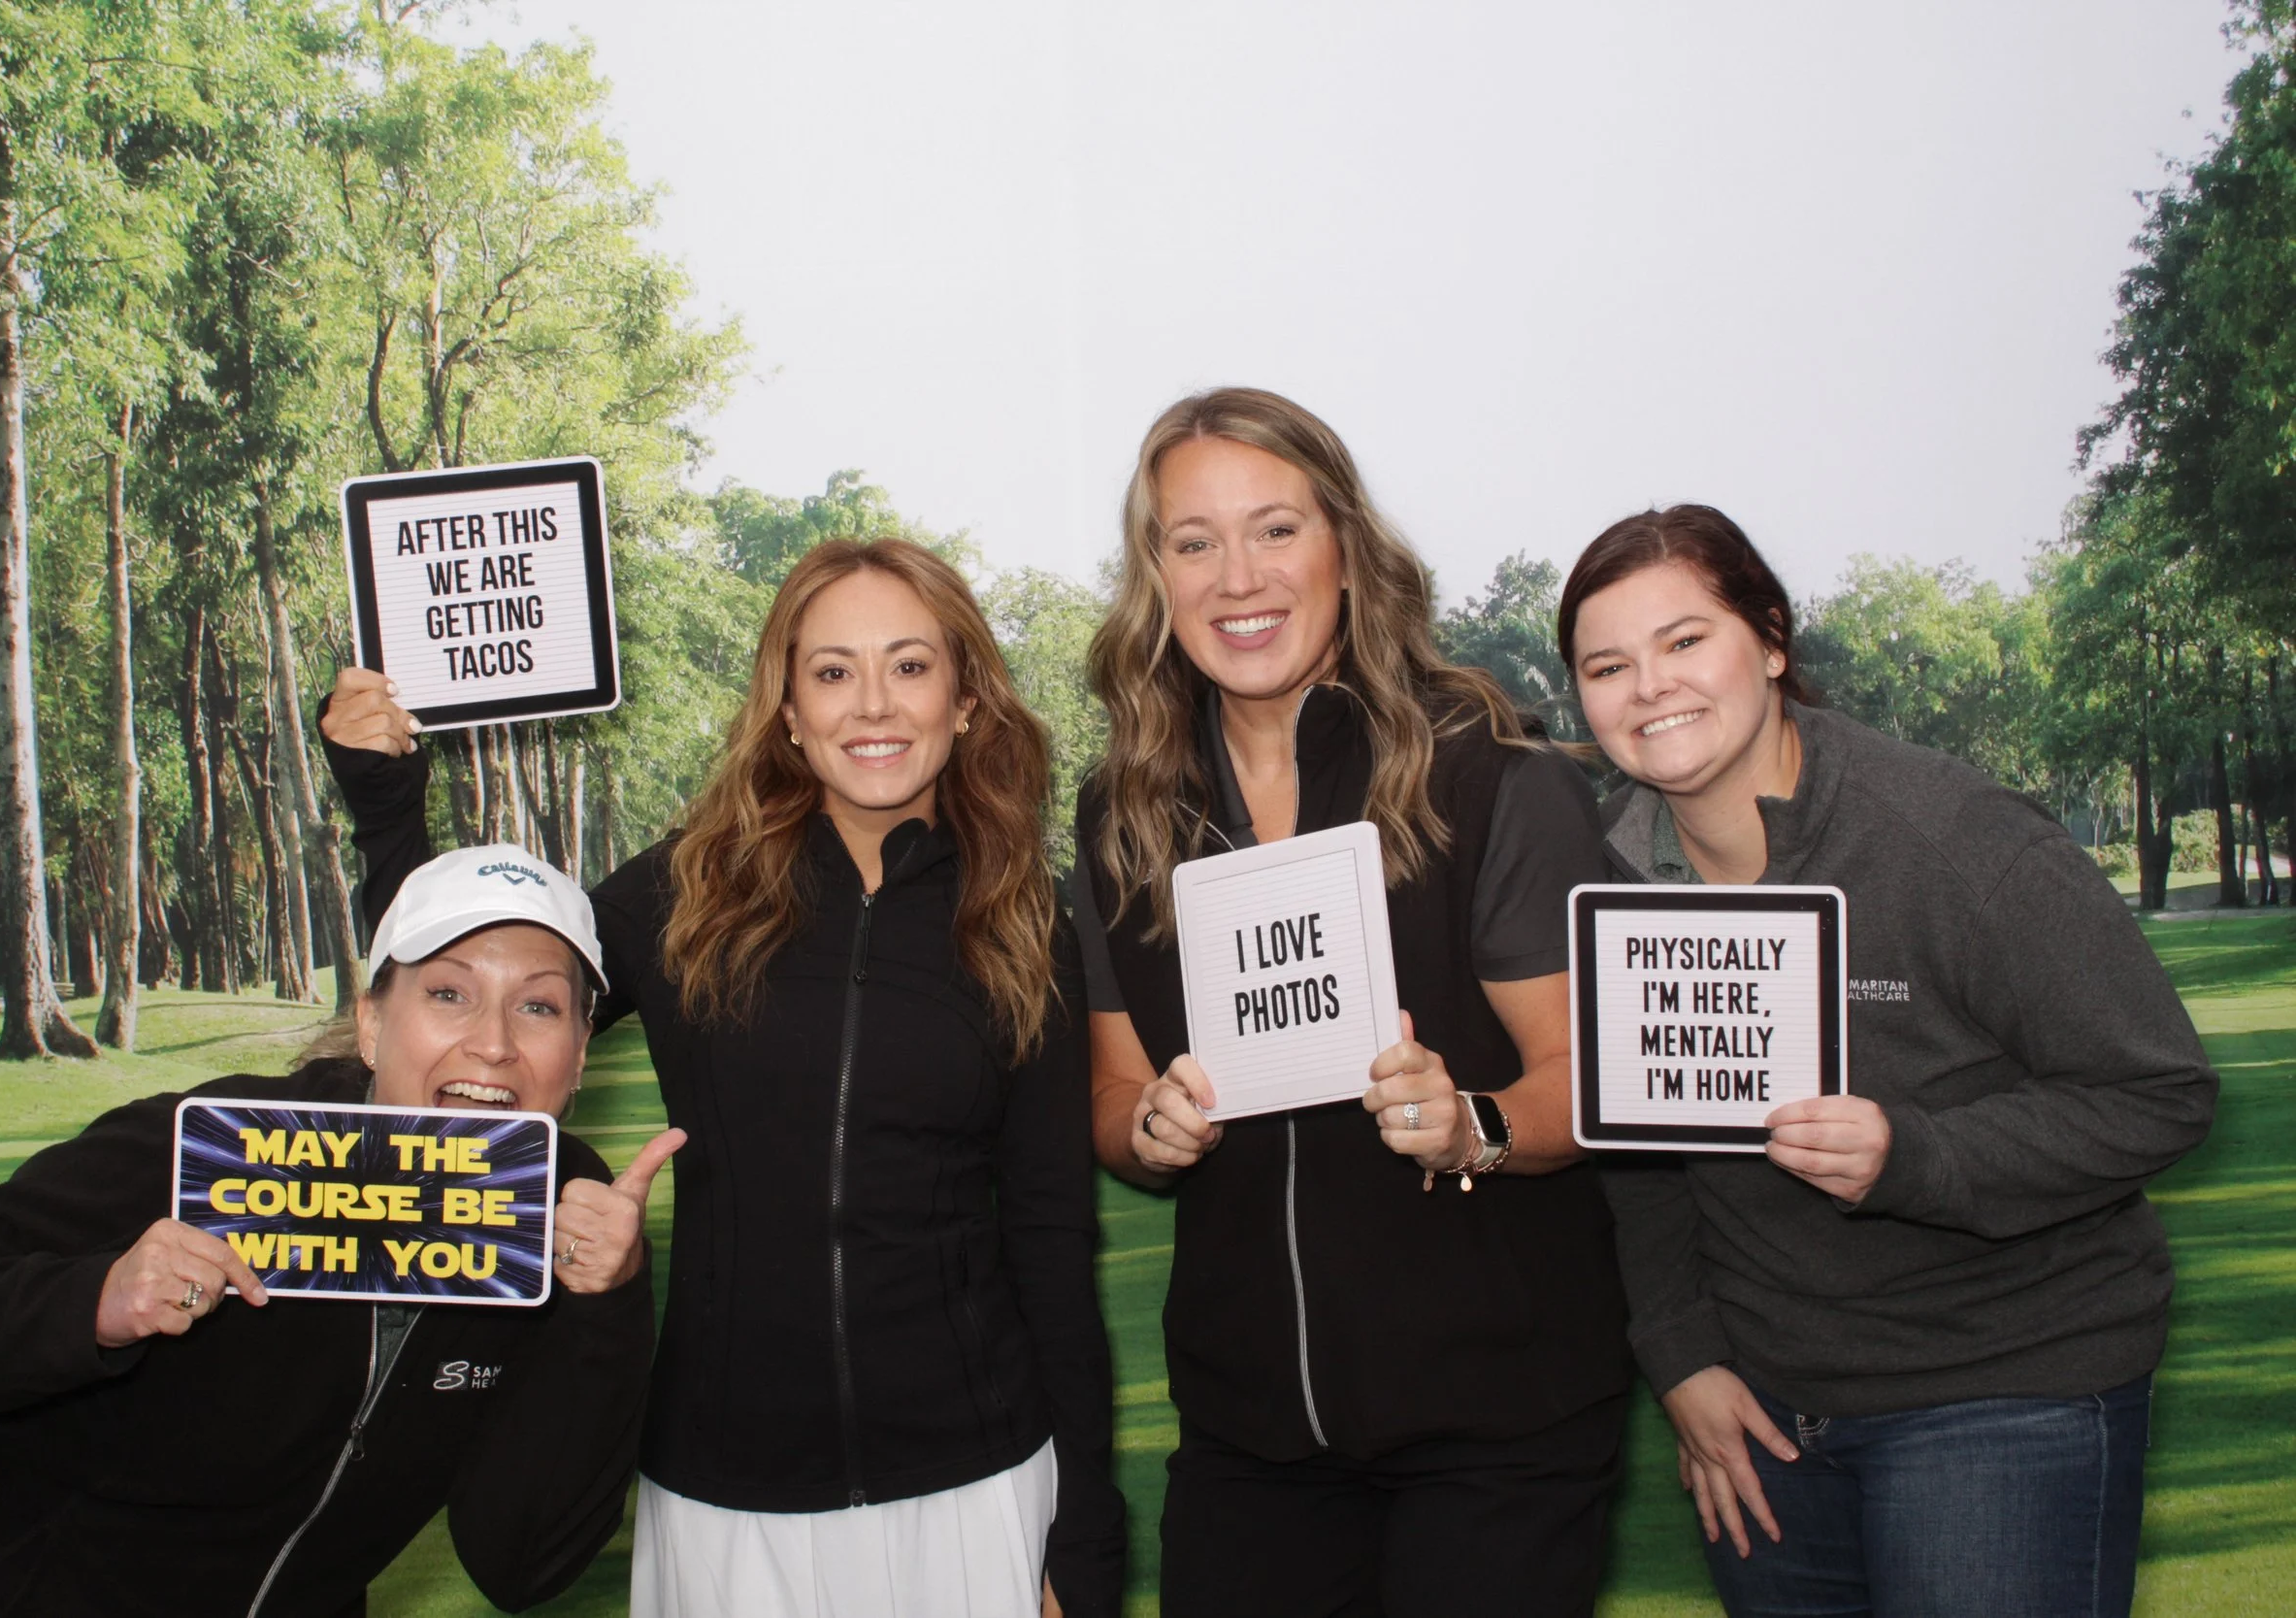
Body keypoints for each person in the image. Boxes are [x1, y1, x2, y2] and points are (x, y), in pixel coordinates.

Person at [321, 537, 1125, 1618]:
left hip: (976, 1484)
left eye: (911, 664)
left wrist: (1081, 1531)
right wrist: (385, 804)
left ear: (967, 695)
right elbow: (471, 1008)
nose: (872, 704)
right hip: (723, 1495)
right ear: (787, 707)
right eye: (832, 671)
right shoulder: (686, 885)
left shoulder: (1032, 917)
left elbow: (1049, 1233)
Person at [1559, 504, 2217, 1618]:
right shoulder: (1606, 880)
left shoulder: (1954, 838)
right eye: (1606, 664)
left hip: (2006, 1388)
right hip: (1764, 1413)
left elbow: (2157, 1089)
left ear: (1770, 640)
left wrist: (1912, 1153)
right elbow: (1638, 1147)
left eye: (1684, 641)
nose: (1649, 687)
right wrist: (1681, 1356)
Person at [1071, 386, 1632, 1617]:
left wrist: (1474, 1122)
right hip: (1251, 1435)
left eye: (1275, 528)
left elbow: (1584, 1082)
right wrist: (1148, 1127)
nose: (1237, 576)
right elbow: (1113, 1092)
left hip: (1499, 1429)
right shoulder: (1123, 811)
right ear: (1153, 575)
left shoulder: (1490, 774)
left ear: (1344, 548)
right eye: (1192, 540)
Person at [0, 842, 674, 1616]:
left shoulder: (570, 1225)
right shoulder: (213, 1148)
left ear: (575, 1059)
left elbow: (520, 1563)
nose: (494, 1043)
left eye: (538, 1005)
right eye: (447, 993)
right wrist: (97, 1302)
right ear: (370, 1025)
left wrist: (608, 1304)